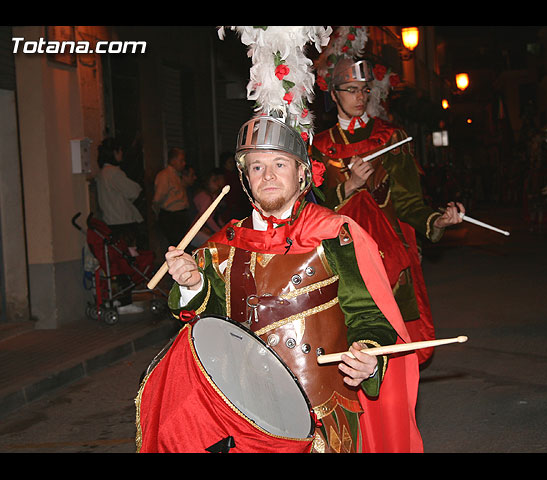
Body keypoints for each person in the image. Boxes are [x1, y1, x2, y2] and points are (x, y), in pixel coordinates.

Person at [135, 115, 424, 453]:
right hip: (250, 410)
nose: (268, 175)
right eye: (257, 167)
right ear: (245, 178)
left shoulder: (333, 234)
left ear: (302, 172)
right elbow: (210, 327)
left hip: (325, 409)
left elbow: (369, 315)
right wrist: (192, 283)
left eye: (280, 164)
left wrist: (368, 354)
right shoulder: (223, 245)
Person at [311, 56, 464, 364]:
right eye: (351, 89)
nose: (359, 97)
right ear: (334, 94)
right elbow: (314, 210)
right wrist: (349, 186)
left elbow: (409, 201)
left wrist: (437, 220)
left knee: (394, 344)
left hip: (389, 256)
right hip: (344, 257)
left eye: (364, 89)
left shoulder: (390, 137)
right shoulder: (320, 146)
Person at [94, 137, 145, 314]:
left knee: (116, 264)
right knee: (128, 262)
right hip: (124, 223)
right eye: (120, 151)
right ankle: (125, 300)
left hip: (111, 223)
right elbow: (134, 190)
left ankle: (119, 299)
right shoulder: (114, 172)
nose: (122, 154)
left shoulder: (101, 173)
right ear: (115, 152)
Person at [152, 147, 190, 247]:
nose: (184, 163)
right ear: (173, 161)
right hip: (171, 217)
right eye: (181, 160)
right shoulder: (164, 175)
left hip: (180, 215)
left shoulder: (177, 175)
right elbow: (157, 198)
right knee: (176, 246)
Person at [188, 167, 228, 249]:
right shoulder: (204, 196)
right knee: (215, 245)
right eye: (214, 181)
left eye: (217, 180)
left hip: (204, 229)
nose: (217, 183)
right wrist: (219, 231)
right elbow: (206, 218)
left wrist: (223, 228)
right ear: (207, 182)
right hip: (193, 232)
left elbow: (216, 217)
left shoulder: (213, 196)